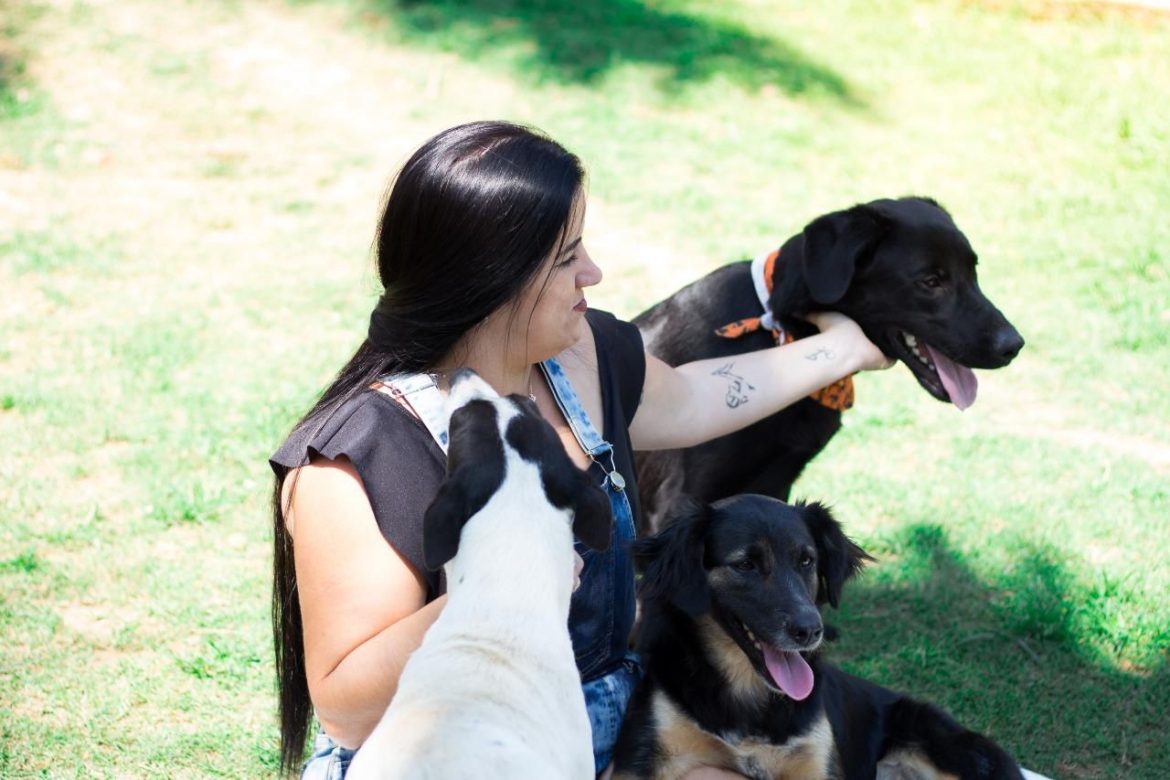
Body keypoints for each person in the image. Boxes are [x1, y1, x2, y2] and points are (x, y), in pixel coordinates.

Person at [269, 120, 892, 779]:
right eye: (567, 258)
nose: (592, 273)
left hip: (614, 727)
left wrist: (844, 349)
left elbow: (692, 399)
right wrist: (507, 580)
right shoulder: (358, 455)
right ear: (492, 280)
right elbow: (348, 708)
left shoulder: (579, 353)